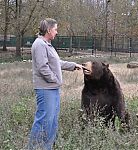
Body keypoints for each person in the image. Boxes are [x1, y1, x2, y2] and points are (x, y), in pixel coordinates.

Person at [28, 18, 83, 149]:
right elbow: (42, 67)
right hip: (45, 89)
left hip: (52, 89)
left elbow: (56, 63)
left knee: (52, 122)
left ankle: (46, 147)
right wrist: (56, 79)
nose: (57, 32)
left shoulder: (47, 44)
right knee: (43, 120)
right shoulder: (39, 44)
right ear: (48, 30)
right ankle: (34, 147)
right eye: (55, 29)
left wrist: (73, 65)